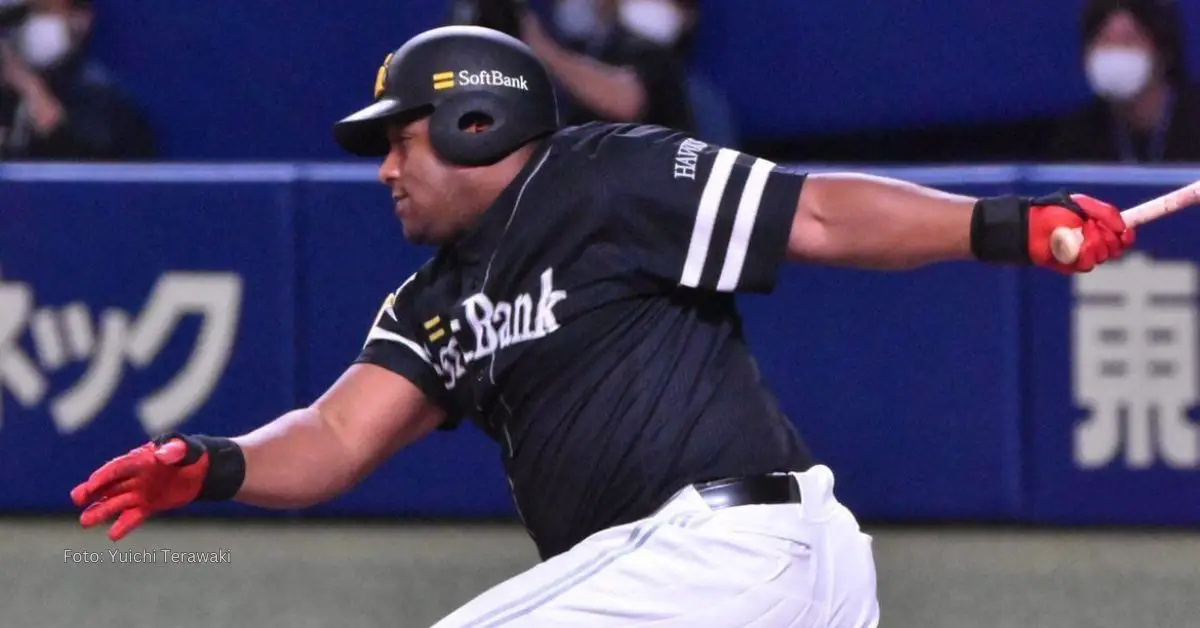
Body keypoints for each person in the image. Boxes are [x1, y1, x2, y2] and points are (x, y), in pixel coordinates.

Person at [70, 26, 1135, 627]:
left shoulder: (605, 174)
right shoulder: (434, 300)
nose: (385, 168)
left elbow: (814, 211)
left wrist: (1006, 224)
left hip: (729, 550)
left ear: (474, 122)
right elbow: (337, 436)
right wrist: (214, 464)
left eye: (401, 139)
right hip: (716, 581)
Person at [1045, 0, 1200, 163]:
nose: (1116, 54)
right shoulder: (1075, 137)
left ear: (1163, 51)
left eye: (1128, 40)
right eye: (1105, 41)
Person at [0, 0, 154, 160]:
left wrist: (29, 86)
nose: (32, 23)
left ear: (80, 19)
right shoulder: (7, 90)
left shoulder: (100, 98)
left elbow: (86, 155)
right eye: (28, 14)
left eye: (44, 11)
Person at [520, 0, 695, 133]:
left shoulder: (653, 52)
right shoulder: (594, 43)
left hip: (649, 168)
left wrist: (544, 50)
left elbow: (625, 101)